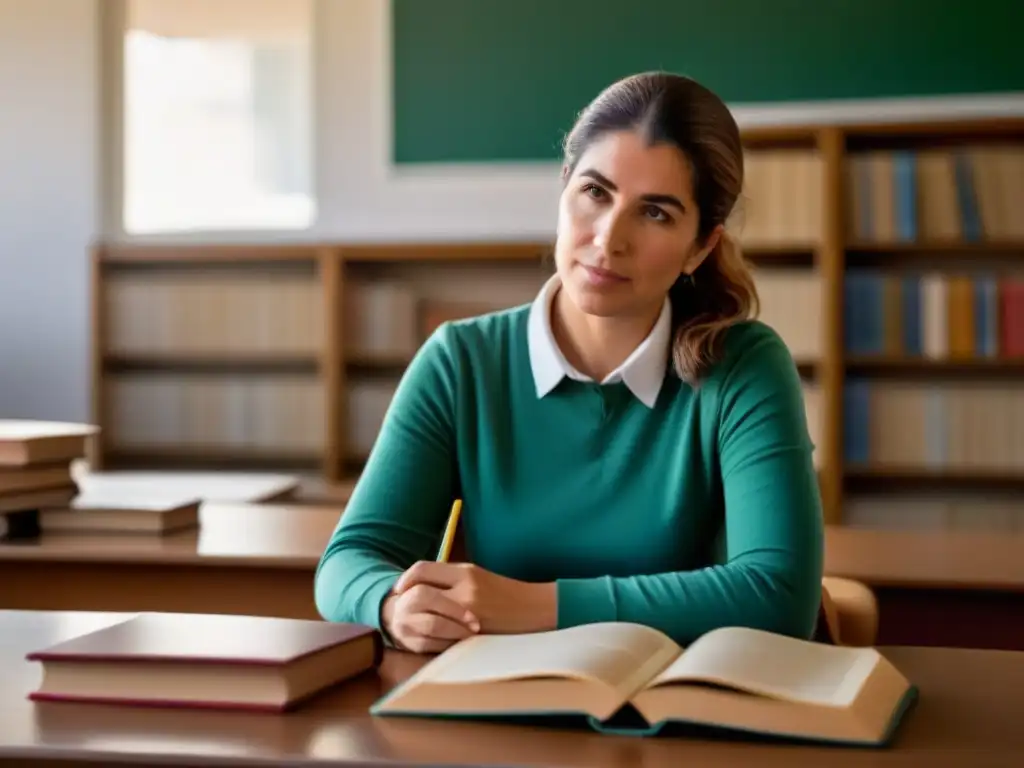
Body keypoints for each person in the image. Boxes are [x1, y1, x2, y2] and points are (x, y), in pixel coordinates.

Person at [314, 71, 824, 653]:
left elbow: (780, 596)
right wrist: (391, 604)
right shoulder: (461, 362)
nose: (609, 240)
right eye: (595, 193)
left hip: (673, 718)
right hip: (497, 702)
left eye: (655, 213)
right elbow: (346, 563)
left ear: (701, 247)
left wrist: (531, 604)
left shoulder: (744, 367)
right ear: (564, 189)